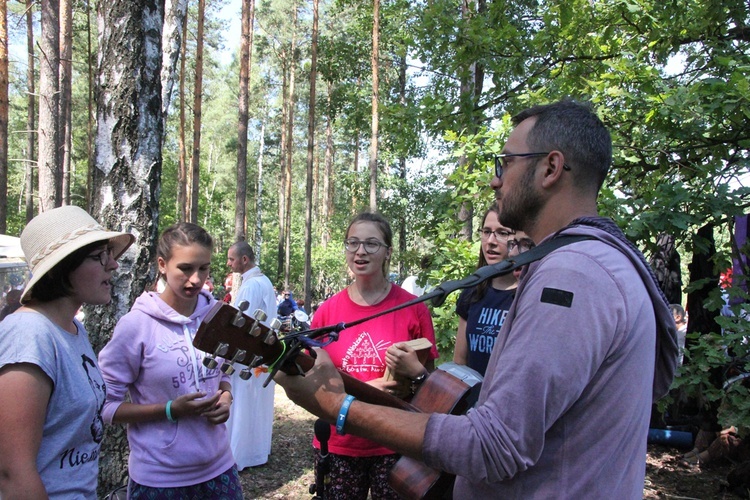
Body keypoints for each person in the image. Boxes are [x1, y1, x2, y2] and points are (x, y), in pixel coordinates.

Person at [275, 100, 678, 498]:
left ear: (550, 169)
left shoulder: (571, 276)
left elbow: (495, 445)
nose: (495, 181)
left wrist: (337, 407)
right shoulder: (606, 261)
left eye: (506, 163)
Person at [98, 223, 242, 499]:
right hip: (160, 479)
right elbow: (104, 407)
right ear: (162, 265)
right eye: (185, 268)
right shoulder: (136, 326)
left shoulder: (217, 316)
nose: (196, 280)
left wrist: (225, 395)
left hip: (220, 469)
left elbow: (221, 372)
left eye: (204, 268)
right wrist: (168, 410)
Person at [0, 205, 134, 499]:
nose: (113, 265)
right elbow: (12, 473)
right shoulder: (28, 335)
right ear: (63, 268)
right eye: (100, 256)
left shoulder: (72, 328)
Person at [306, 211, 438, 500]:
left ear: (388, 252)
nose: (360, 251)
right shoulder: (328, 312)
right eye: (353, 243)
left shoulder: (413, 308)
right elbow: (312, 382)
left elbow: (429, 386)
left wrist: (415, 376)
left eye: (371, 244)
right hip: (340, 442)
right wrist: (364, 391)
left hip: (395, 441)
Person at [453, 203, 530, 375]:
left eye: (502, 233)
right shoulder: (472, 290)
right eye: (486, 232)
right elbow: (460, 361)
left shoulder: (529, 294)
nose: (491, 242)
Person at [224, 240, 277, 469]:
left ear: (244, 260)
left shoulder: (252, 285)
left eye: (231, 259)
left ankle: (239, 455)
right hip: (261, 353)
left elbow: (240, 322)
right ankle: (255, 450)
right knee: (254, 402)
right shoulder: (263, 281)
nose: (229, 263)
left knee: (244, 402)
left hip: (247, 355)